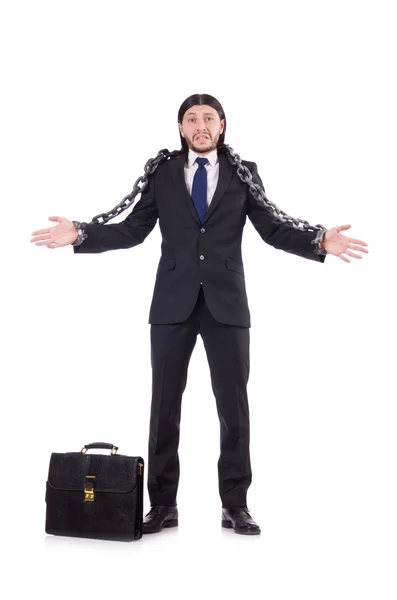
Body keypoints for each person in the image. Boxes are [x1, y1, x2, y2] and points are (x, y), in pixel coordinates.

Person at [30, 93, 369, 536]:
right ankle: (163, 505)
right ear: (181, 128)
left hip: (227, 304)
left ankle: (235, 504)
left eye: (209, 117)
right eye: (192, 119)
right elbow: (132, 229)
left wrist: (317, 241)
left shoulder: (243, 173)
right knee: (164, 408)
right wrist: (80, 234)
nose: (201, 125)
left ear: (222, 125)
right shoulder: (163, 173)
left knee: (234, 409)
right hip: (172, 302)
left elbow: (271, 228)